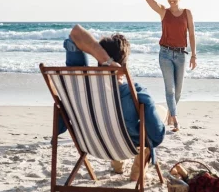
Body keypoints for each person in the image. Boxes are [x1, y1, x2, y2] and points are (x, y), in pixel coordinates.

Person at [61, 24, 166, 181]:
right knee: (160, 110)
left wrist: (105, 59)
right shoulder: (134, 92)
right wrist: (112, 63)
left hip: (91, 141)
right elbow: (156, 135)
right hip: (126, 143)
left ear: (98, 56)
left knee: (114, 117)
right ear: (124, 61)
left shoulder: (80, 85)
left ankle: (117, 163)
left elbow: (75, 34)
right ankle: (137, 166)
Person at [145, 0, 197, 132]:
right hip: (165, 54)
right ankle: (175, 119)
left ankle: (170, 113)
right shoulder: (163, 12)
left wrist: (194, 55)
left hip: (181, 55)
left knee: (178, 91)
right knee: (170, 90)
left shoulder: (187, 13)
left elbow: (192, 35)